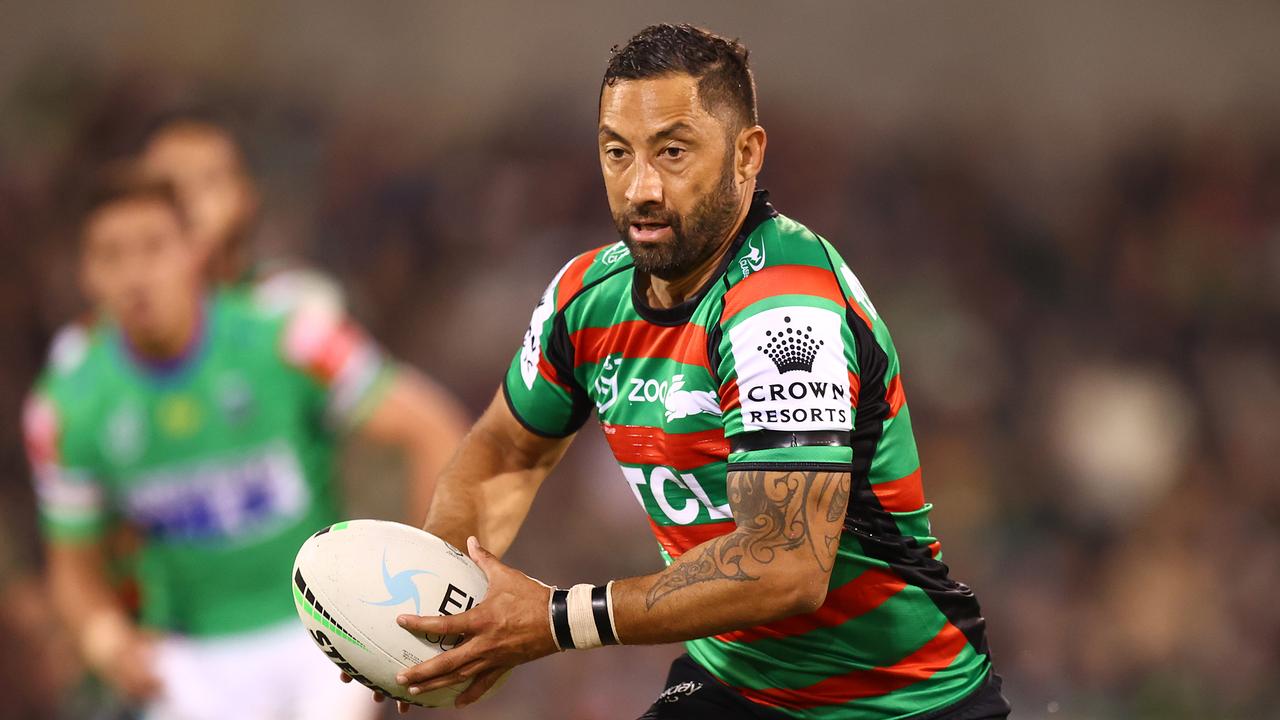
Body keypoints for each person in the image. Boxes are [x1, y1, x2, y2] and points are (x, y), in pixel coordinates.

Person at [375, 23, 1011, 720]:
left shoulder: (783, 308)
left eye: (673, 152)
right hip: (734, 683)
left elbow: (785, 566)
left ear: (747, 154)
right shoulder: (586, 298)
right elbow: (502, 454)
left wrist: (556, 618)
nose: (642, 187)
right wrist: (434, 615)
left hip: (902, 701)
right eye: (618, 153)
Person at [23, 168, 468, 720]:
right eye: (111, 256)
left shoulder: (288, 339)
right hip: (186, 659)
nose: (135, 274)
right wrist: (101, 635)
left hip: (321, 634)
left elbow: (431, 429)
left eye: (153, 248)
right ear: (87, 275)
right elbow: (72, 563)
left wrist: (423, 592)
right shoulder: (66, 406)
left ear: (193, 252)